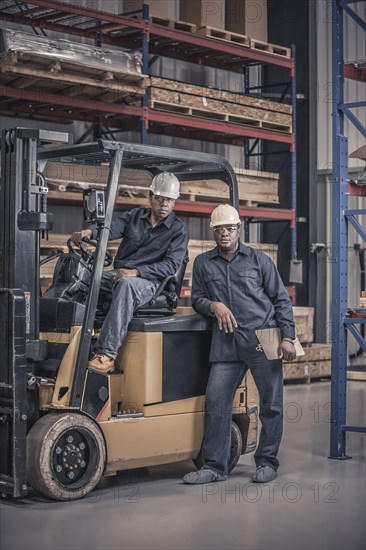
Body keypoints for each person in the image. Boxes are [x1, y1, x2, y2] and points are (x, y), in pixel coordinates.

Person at [183, 204, 296, 485]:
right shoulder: (203, 263)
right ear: (214, 232)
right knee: (216, 402)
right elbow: (196, 299)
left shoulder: (259, 261)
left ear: (238, 229)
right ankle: (215, 467)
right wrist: (213, 305)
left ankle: (267, 462)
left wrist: (289, 337)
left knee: (271, 404)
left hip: (264, 337)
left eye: (229, 228)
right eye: (219, 229)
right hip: (226, 341)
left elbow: (281, 299)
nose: (225, 234)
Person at [70, 172, 188, 374]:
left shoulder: (178, 230)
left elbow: (170, 266)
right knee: (83, 277)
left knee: (126, 285)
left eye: (169, 199)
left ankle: (106, 354)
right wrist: (90, 232)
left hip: (150, 283)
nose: (164, 203)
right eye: (160, 198)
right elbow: (111, 229)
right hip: (120, 273)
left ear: (174, 201)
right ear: (150, 197)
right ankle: (70, 338)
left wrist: (136, 272)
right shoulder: (134, 216)